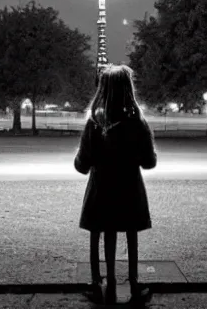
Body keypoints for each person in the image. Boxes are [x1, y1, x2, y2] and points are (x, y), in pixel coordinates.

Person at [74, 64, 157, 306]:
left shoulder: (95, 124)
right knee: (130, 234)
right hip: (130, 190)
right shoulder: (137, 124)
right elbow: (149, 162)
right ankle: (133, 284)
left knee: (102, 233)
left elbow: (82, 165)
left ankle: (101, 284)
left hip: (101, 191)